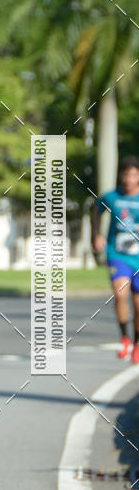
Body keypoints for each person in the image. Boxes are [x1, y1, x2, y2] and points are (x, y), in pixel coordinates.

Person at [92, 155, 139, 362]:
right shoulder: (111, 197)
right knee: (120, 294)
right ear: (121, 176)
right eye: (126, 175)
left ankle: (137, 342)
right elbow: (96, 209)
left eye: (134, 175)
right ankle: (125, 337)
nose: (129, 179)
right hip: (117, 254)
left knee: (138, 305)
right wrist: (97, 234)